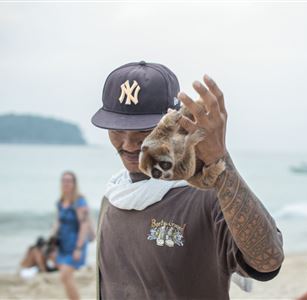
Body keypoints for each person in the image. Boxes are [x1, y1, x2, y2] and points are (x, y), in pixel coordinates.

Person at [91, 61, 284, 299]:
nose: (129, 144)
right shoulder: (113, 198)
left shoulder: (207, 195)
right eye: (117, 130)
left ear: (171, 125)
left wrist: (220, 161)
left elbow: (268, 261)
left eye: (142, 131)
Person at [52, 171, 90, 300]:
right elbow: (57, 223)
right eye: (64, 181)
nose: (66, 183)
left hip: (75, 245)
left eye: (69, 181)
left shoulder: (79, 202)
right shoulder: (61, 202)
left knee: (64, 276)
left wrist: (78, 248)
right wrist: (53, 244)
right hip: (62, 245)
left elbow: (84, 225)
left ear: (74, 184)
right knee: (66, 279)